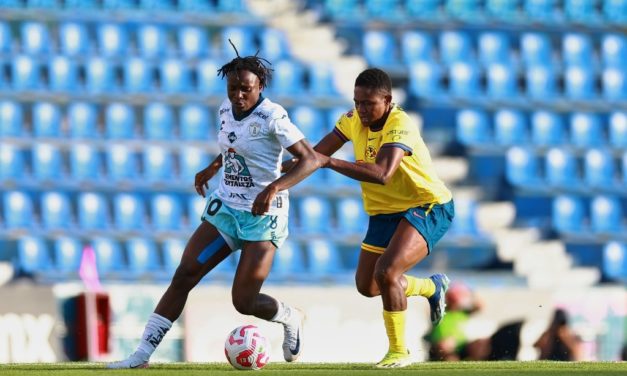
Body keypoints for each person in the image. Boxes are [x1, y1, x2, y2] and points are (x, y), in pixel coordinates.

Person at [107, 45, 322, 368]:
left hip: (262, 218)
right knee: (184, 275)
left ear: (260, 86)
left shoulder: (272, 117)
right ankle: (141, 355)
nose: (238, 95)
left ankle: (290, 316)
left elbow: (311, 160)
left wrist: (274, 187)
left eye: (245, 89)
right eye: (233, 88)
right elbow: (235, 146)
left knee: (244, 301)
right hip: (226, 209)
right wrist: (213, 166)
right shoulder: (225, 110)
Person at [287, 68, 454, 367]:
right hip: (383, 213)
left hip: (427, 205)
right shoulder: (352, 120)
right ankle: (430, 287)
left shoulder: (399, 123)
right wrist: (274, 175)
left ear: (387, 100)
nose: (361, 109)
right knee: (368, 286)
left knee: (387, 271)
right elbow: (314, 155)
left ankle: (399, 351)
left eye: (368, 103)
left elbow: (383, 174)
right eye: (357, 102)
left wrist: (328, 162)